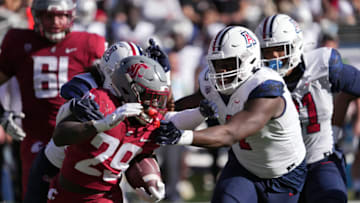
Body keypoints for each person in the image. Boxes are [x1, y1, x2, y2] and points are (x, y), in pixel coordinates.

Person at [153, 25, 307, 203]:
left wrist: (182, 136)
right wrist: (163, 76)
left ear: (249, 61)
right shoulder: (211, 83)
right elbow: (175, 108)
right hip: (244, 167)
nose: (221, 72)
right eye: (217, 65)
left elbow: (230, 133)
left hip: (282, 174)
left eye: (228, 64)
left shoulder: (266, 88)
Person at [47, 55, 215, 202]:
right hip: (66, 191)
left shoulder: (150, 121)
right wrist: (101, 125)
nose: (154, 105)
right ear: (129, 89)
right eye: (150, 97)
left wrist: (152, 182)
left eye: (158, 99)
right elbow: (60, 136)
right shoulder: (101, 102)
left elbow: (174, 121)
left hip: (104, 197)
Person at [24, 40, 163, 202]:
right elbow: (65, 123)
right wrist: (76, 106)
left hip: (100, 174)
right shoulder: (87, 88)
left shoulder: (133, 95)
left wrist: (164, 74)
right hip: (58, 166)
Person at [0, 0, 106, 198]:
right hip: (36, 137)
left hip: (79, 136)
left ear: (72, 16)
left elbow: (112, 86)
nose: (56, 22)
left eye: (62, 15)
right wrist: (2, 114)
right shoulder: (18, 40)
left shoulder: (90, 43)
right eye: (49, 16)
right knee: (36, 196)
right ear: (37, 16)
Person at [255, 13, 360, 203]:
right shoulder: (255, 80)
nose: (274, 58)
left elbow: (355, 85)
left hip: (319, 160)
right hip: (277, 170)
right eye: (267, 51)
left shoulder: (321, 65)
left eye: (280, 49)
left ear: (295, 45)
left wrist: (335, 130)